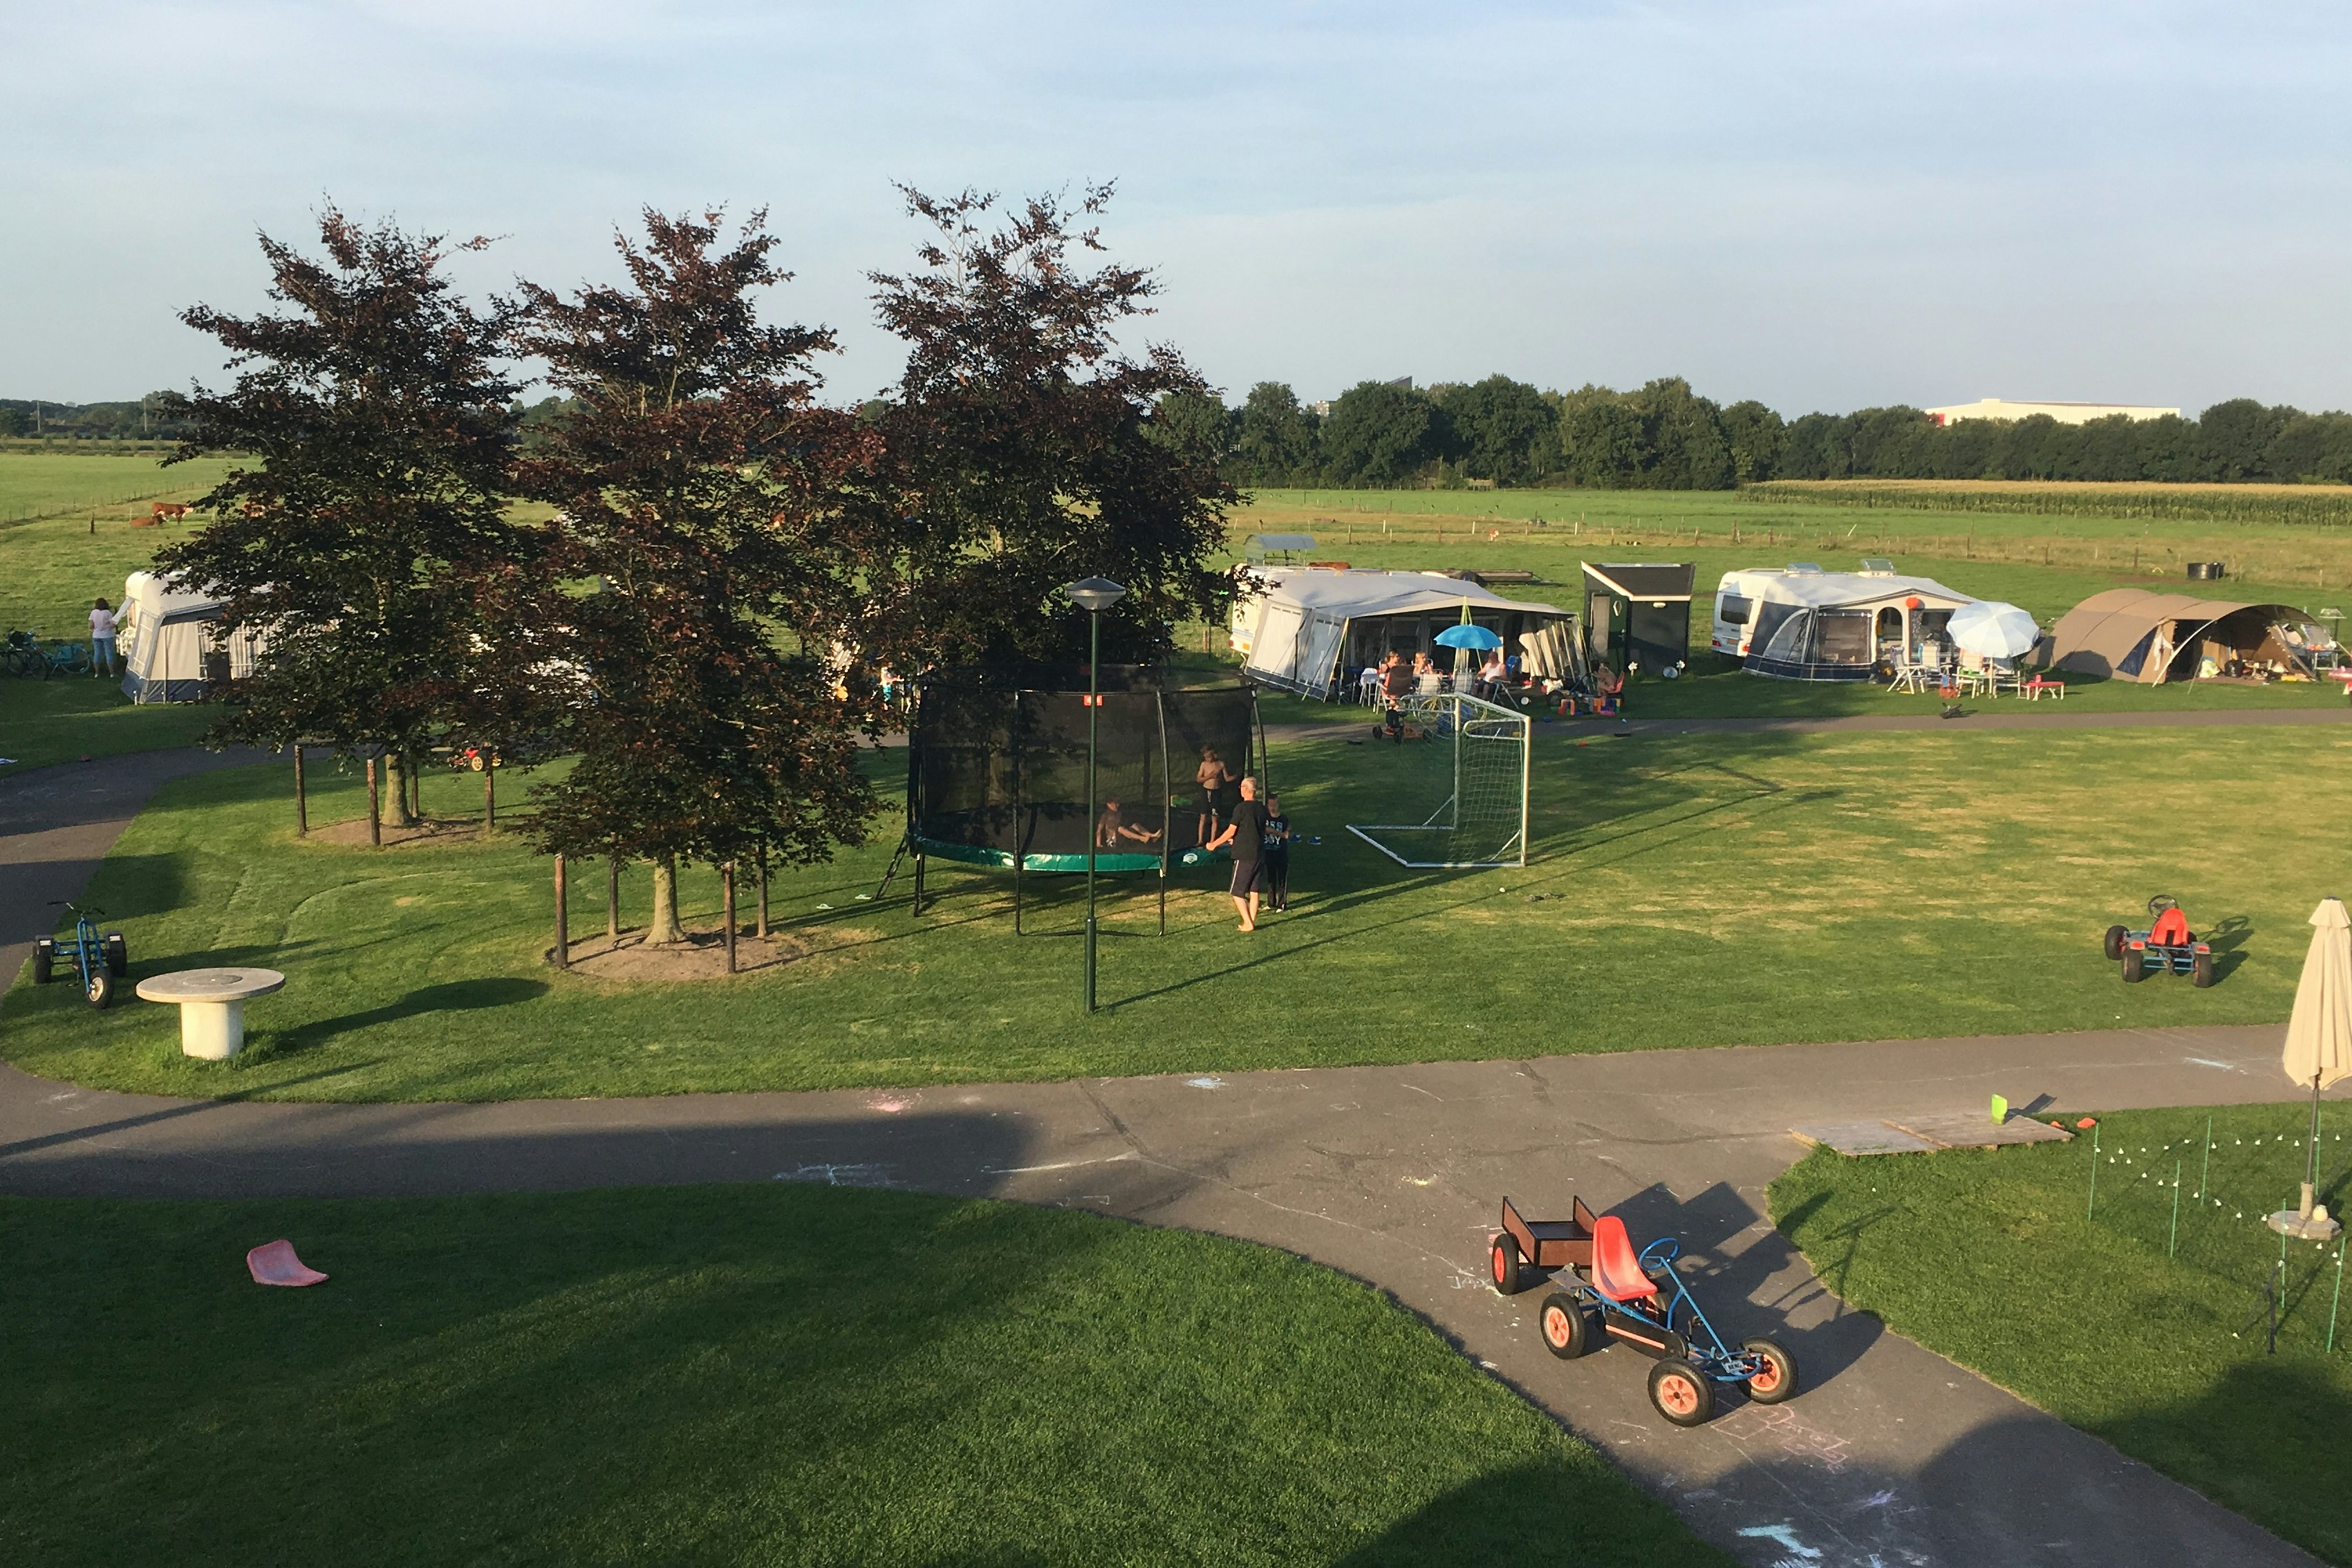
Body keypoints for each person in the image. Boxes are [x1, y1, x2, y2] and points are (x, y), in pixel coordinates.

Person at [1206, 776, 1269, 932]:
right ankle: (1251, 921)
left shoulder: (1241, 808)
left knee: (1236, 892)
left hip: (1245, 854)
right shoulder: (1262, 808)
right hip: (1259, 852)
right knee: (1254, 890)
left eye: (1241, 787)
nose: (1240, 789)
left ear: (1246, 790)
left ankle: (1248, 923)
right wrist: (1238, 839)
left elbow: (1231, 831)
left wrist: (1214, 844)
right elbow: (1255, 830)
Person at [1194, 746, 1237, 847]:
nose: (1208, 759)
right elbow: (1199, 779)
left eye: (1209, 757)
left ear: (1214, 755)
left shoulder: (1221, 764)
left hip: (1216, 792)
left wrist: (1236, 776)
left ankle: (1212, 841)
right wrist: (1210, 776)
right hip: (1206, 791)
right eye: (1206, 757)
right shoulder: (1204, 765)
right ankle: (1200, 840)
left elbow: (1227, 778)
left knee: (1215, 818)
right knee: (1203, 816)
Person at [1259, 793, 1295, 913]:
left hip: (1281, 853)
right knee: (1271, 878)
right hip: (1268, 852)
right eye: (1271, 805)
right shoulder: (1264, 818)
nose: (1273, 807)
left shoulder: (1283, 819)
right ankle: (1271, 902)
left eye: (1275, 804)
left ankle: (1282, 904)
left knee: (1282, 879)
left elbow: (1286, 835)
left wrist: (1273, 831)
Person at [1096, 796, 1163, 850]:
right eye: (1115, 803)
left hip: (1122, 838)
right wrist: (1098, 844)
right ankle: (1143, 838)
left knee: (1135, 825)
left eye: (1118, 803)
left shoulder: (1119, 814)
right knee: (1120, 829)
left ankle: (1152, 835)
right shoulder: (1105, 815)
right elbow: (1099, 830)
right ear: (1109, 804)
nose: (1117, 805)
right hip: (1112, 841)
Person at [1377, 651, 1412, 743]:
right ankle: (1394, 721)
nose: (1398, 658)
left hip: (1392, 690)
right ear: (1392, 658)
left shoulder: (1396, 668)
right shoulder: (1388, 667)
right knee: (1394, 700)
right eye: (1397, 657)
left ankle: (1392, 722)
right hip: (1399, 691)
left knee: (1393, 700)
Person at [88, 597, 118, 678]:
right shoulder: (107, 613)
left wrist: (96, 629)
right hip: (107, 635)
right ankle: (112, 673)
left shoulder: (93, 612)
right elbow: (112, 624)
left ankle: (97, 673)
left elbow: (91, 625)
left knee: (97, 654)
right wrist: (107, 626)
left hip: (96, 636)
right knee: (109, 654)